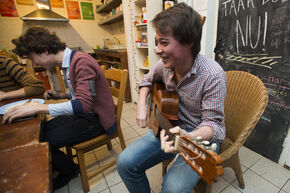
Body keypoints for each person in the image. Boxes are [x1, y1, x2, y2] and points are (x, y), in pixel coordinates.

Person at [116, 3, 227, 193]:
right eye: (157, 42)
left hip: (201, 138)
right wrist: (142, 104)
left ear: (189, 42)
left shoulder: (213, 75)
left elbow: (214, 126)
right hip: (170, 127)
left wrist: (188, 137)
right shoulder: (164, 65)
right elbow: (147, 80)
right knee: (124, 163)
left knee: (172, 188)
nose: (158, 50)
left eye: (164, 42)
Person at [3, 26, 117, 190]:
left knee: (42, 141)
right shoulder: (70, 62)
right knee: (40, 131)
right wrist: (60, 96)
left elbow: (83, 104)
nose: (34, 63)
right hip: (87, 115)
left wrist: (36, 109)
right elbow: (81, 95)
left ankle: (69, 171)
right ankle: (61, 166)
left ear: (45, 50)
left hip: (99, 120)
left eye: (32, 58)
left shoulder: (81, 61)